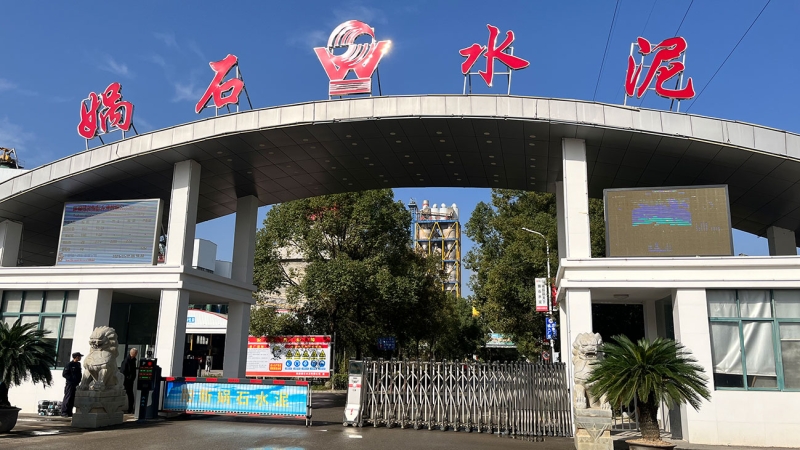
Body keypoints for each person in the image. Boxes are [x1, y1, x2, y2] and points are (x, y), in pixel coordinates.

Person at [61, 352, 83, 417]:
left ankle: (69, 412)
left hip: (76, 384)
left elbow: (79, 374)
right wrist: (72, 379)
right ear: (76, 357)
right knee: (68, 397)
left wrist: (78, 380)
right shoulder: (69, 364)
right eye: (79, 357)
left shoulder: (78, 364)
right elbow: (65, 374)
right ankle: (64, 412)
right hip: (70, 384)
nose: (80, 358)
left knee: (73, 398)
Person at [120, 348, 139, 414]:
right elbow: (122, 371)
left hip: (130, 381)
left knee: (130, 395)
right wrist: (127, 378)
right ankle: (121, 408)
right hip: (126, 381)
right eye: (136, 353)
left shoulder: (133, 360)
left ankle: (130, 409)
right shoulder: (126, 361)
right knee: (126, 394)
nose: (136, 354)